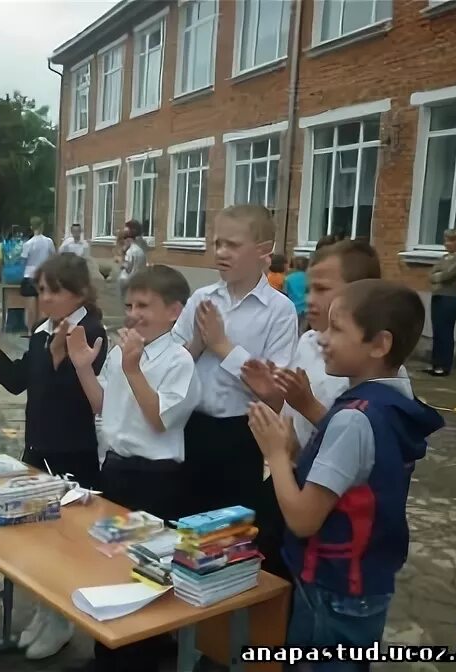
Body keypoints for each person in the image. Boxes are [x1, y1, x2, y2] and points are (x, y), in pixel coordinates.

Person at [248, 280, 444, 660]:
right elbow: (359, 463)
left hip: (333, 587)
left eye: (337, 329)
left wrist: (275, 454)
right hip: (366, 580)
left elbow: (304, 519)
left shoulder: (353, 419)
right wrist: (307, 408)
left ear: (379, 344)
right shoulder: (390, 401)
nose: (322, 339)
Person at [0, 253, 106, 661]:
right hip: (37, 449)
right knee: (39, 540)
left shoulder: (91, 332)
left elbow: (87, 393)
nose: (44, 298)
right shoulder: (43, 331)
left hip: (73, 454)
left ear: (78, 293)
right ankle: (46, 611)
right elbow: (18, 382)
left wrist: (63, 355)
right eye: (41, 290)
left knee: (64, 543)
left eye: (54, 290)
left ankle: (62, 619)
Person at [241, 241, 408, 578]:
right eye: (308, 284)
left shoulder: (379, 372)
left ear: (360, 297)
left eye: (322, 288)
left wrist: (309, 406)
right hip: (290, 480)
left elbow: (361, 438)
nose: (310, 297)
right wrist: (273, 396)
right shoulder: (309, 342)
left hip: (331, 507)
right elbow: (292, 422)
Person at [67, 265, 199, 672]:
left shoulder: (178, 360)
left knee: (146, 569)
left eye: (144, 305)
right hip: (118, 470)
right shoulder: (125, 352)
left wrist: (132, 369)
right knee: (111, 562)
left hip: (155, 479)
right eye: (129, 305)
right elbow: (103, 406)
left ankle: (139, 655)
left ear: (175, 311)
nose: (134, 313)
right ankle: (110, 651)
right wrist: (83, 366)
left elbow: (161, 418)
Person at [172, 204, 297, 571]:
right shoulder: (202, 299)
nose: (221, 253)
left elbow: (274, 393)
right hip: (191, 426)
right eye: (217, 243)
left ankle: (220, 621)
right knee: (184, 529)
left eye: (232, 244)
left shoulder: (279, 310)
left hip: (239, 436)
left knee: (226, 539)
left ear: (263, 250)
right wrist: (198, 342)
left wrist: (223, 346)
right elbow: (174, 364)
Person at [427, 228, 456, 377]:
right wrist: (438, 276)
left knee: (445, 332)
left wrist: (438, 276)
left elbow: (448, 275)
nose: (447, 243)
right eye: (445, 240)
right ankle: (435, 364)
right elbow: (431, 275)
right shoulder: (444, 258)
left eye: (451, 240)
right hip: (437, 296)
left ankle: (444, 366)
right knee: (437, 331)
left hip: (450, 299)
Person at [20, 216, 56, 333]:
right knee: (43, 307)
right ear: (42, 226)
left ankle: (30, 331)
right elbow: (53, 258)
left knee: (30, 308)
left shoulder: (28, 244)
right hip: (44, 275)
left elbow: (23, 261)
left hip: (29, 275)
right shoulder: (49, 242)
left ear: (31, 227)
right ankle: (41, 331)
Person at [117, 225, 147, 299]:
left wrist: (121, 262)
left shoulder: (130, 251)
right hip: (139, 280)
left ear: (128, 239)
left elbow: (127, 267)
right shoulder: (140, 251)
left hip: (127, 280)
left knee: (125, 302)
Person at [284, 255, 309, 331]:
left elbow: (285, 294)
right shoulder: (310, 277)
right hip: (307, 308)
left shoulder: (288, 278)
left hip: (293, 308)